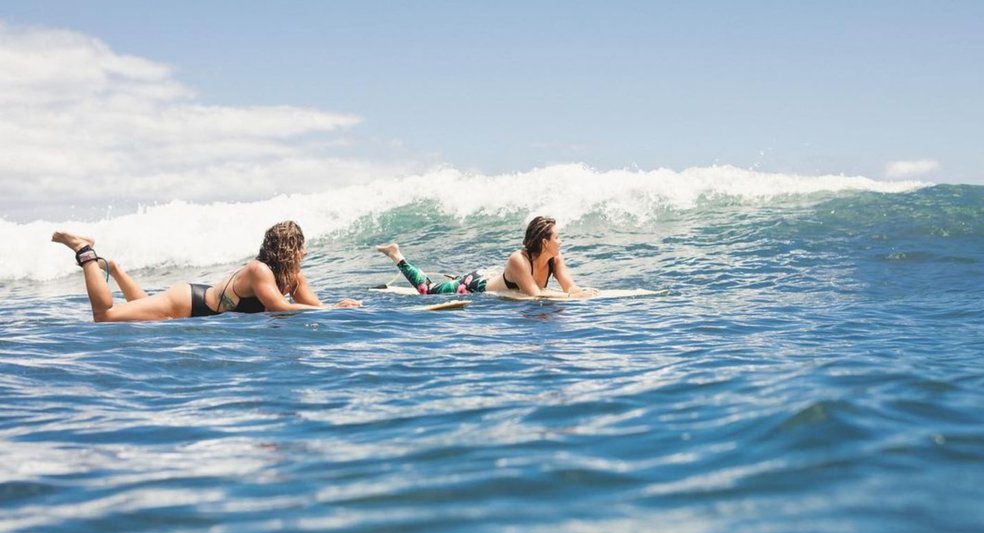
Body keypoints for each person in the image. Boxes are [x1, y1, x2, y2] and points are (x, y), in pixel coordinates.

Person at [51, 220, 361, 322]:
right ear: (291, 250)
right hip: (188, 302)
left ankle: (115, 268)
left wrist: (337, 310)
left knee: (136, 310)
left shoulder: (294, 277)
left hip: (200, 309)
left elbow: (314, 310)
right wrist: (332, 308)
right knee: (106, 317)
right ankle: (85, 251)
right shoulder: (259, 270)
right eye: (301, 246)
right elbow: (280, 308)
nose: (306, 253)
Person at [376, 216, 599, 298]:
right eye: (557, 238)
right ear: (544, 242)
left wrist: (581, 293)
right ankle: (396, 255)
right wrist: (572, 298)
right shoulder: (518, 260)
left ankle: (456, 277)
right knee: (428, 289)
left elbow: (570, 288)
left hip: (494, 275)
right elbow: (535, 294)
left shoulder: (555, 259)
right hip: (476, 285)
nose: (561, 242)